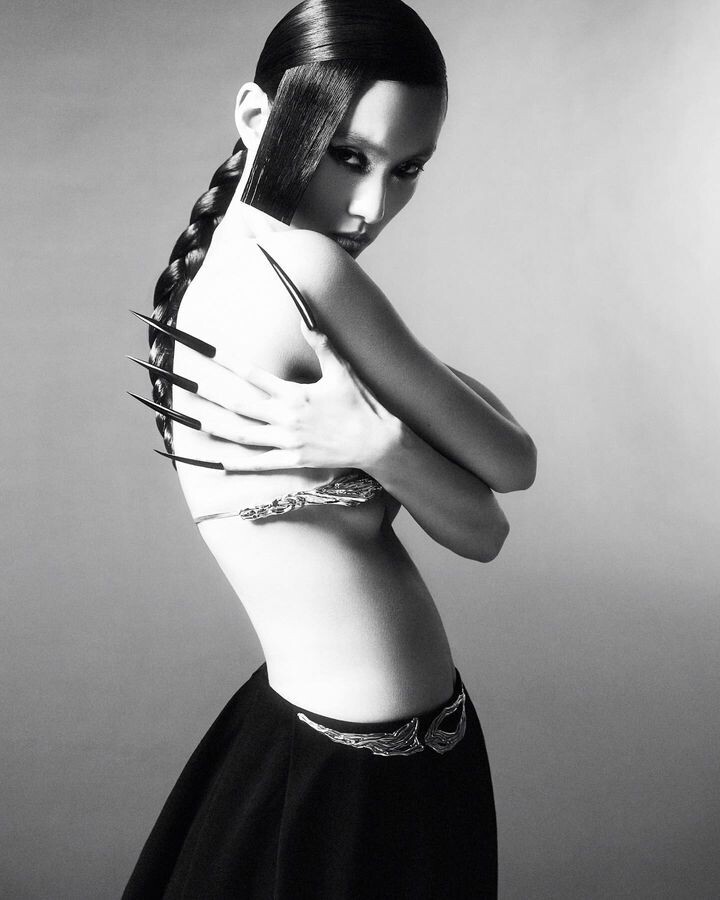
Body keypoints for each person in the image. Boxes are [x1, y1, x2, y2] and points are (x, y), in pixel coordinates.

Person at [124, 1, 537, 896]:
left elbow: (488, 526)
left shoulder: (222, 274)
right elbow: (512, 462)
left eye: (406, 169)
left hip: (382, 757)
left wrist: (377, 442)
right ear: (256, 116)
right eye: (348, 156)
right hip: (339, 779)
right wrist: (393, 431)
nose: (371, 206)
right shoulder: (307, 269)